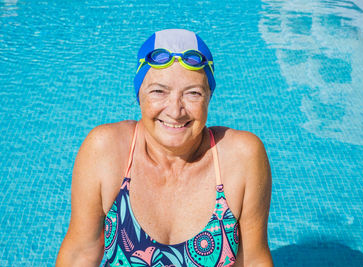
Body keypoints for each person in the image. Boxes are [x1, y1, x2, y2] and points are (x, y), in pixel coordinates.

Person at [56, 29, 273, 267]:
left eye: (193, 93)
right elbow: (80, 252)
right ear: (139, 94)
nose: (175, 110)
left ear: (209, 96)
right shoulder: (106, 150)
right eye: (159, 91)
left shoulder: (242, 157)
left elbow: (253, 259)